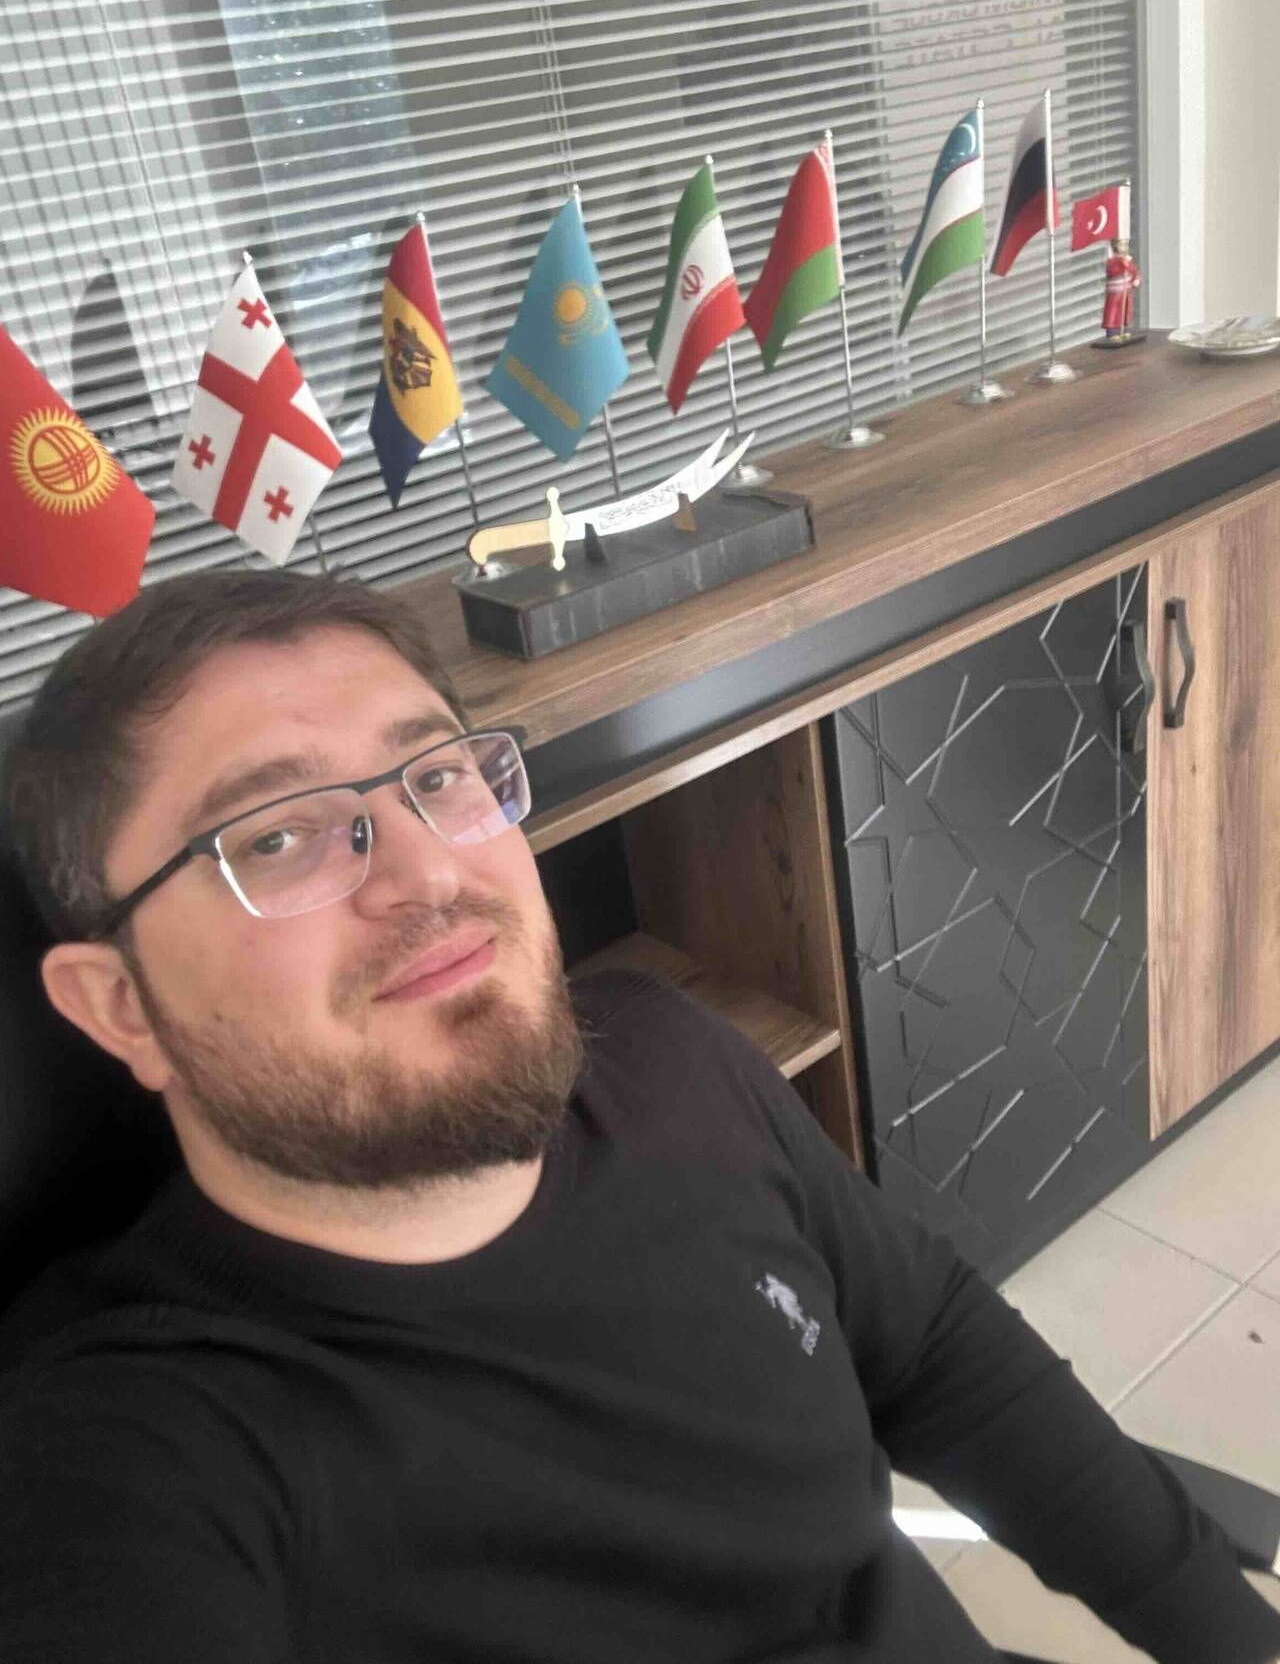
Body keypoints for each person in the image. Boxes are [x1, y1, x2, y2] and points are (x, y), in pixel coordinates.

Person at [0, 568, 1276, 1664]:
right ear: (119, 1006)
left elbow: (934, 1348)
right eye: (277, 836)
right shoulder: (122, 1452)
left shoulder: (664, 1055)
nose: (429, 870)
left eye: (437, 774)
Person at [1103, 236, 1142, 339]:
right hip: (1115, 292)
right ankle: (1113, 332)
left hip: (1125, 291)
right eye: (1121, 244)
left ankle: (1123, 330)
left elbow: (1133, 271)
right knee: (1113, 312)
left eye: (1125, 244)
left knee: (1124, 311)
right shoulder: (1112, 261)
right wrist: (1124, 263)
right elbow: (1114, 272)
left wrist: (1136, 278)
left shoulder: (1127, 260)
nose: (1124, 247)